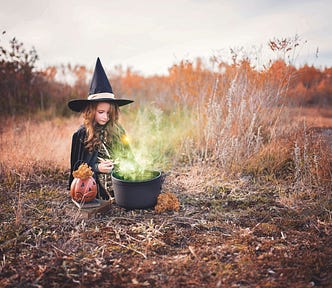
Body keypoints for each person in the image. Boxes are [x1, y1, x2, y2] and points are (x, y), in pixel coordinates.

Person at [68, 57, 134, 200]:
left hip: (120, 182)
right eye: (101, 112)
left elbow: (128, 155)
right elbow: (77, 167)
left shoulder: (118, 130)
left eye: (109, 113)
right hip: (94, 187)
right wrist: (97, 167)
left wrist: (121, 163)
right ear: (91, 111)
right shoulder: (81, 134)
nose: (105, 117)